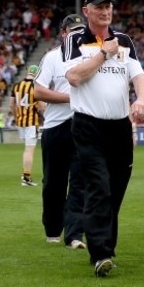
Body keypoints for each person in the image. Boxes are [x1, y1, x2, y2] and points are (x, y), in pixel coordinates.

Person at [63, 0, 144, 277]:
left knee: (116, 189)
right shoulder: (75, 39)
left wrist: (141, 100)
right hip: (89, 125)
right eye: (99, 6)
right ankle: (101, 253)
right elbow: (74, 77)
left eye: (109, 6)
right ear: (86, 11)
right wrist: (103, 53)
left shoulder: (124, 41)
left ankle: (103, 246)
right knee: (99, 186)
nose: (105, 11)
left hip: (120, 127)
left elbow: (139, 77)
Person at [34, 14, 87, 249]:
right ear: (63, 33)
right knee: (53, 183)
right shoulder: (53, 57)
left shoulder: (91, 56)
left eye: (81, 30)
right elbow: (39, 92)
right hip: (56, 127)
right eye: (73, 30)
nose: (77, 34)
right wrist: (71, 97)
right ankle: (53, 228)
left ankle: (74, 234)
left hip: (84, 125)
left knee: (80, 182)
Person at [11, 64, 44, 186]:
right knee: (29, 149)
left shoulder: (16, 86)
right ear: (36, 73)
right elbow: (42, 106)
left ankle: (25, 174)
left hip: (21, 121)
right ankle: (26, 177)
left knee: (27, 149)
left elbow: (11, 104)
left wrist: (16, 117)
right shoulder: (35, 86)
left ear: (27, 71)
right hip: (31, 122)